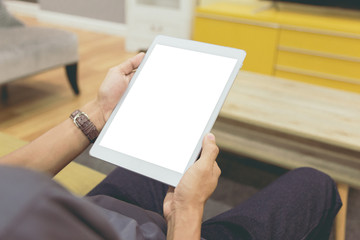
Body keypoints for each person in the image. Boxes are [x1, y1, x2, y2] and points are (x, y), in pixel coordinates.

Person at [0, 53, 342, 240]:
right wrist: (187, 211)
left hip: (97, 215)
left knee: (169, 151)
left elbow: (9, 181)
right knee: (316, 183)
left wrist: (100, 112)